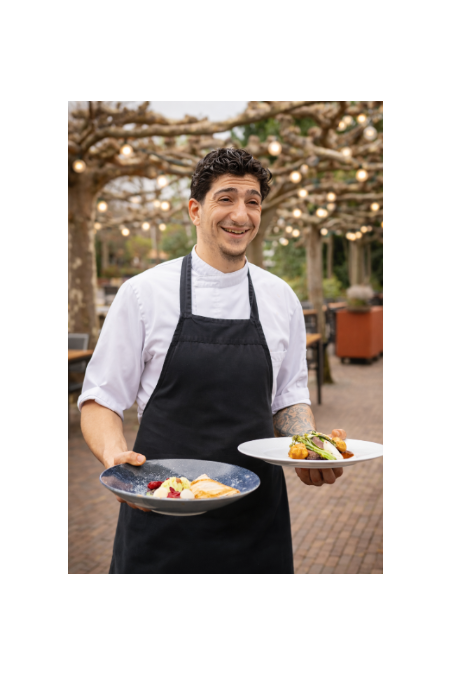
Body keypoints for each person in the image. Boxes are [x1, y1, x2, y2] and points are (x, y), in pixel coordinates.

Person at [79, 148, 344, 574]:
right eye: (226, 198)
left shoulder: (281, 298)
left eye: (252, 201)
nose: (241, 214)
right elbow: (100, 399)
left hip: (256, 522)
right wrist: (115, 457)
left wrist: (310, 449)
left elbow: (288, 399)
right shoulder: (144, 294)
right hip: (161, 509)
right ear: (195, 210)